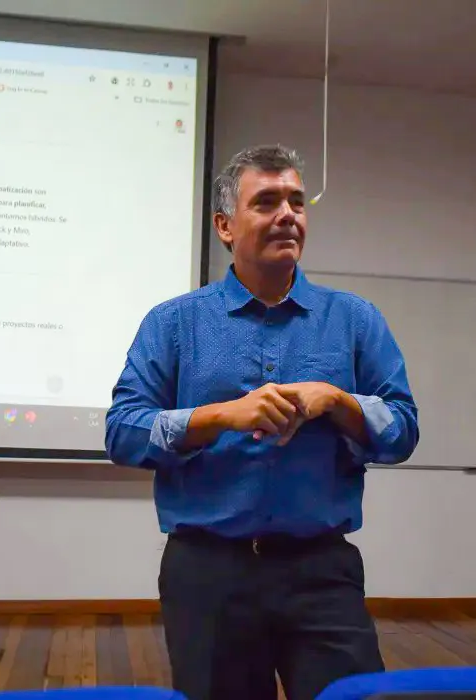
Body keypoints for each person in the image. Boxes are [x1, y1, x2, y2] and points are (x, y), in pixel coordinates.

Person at [105, 144, 419, 700]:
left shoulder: (355, 320)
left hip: (322, 572)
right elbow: (124, 431)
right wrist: (220, 416)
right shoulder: (173, 323)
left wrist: (338, 401)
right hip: (209, 576)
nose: (288, 215)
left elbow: (402, 429)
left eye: (296, 201)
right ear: (225, 226)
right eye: (267, 202)